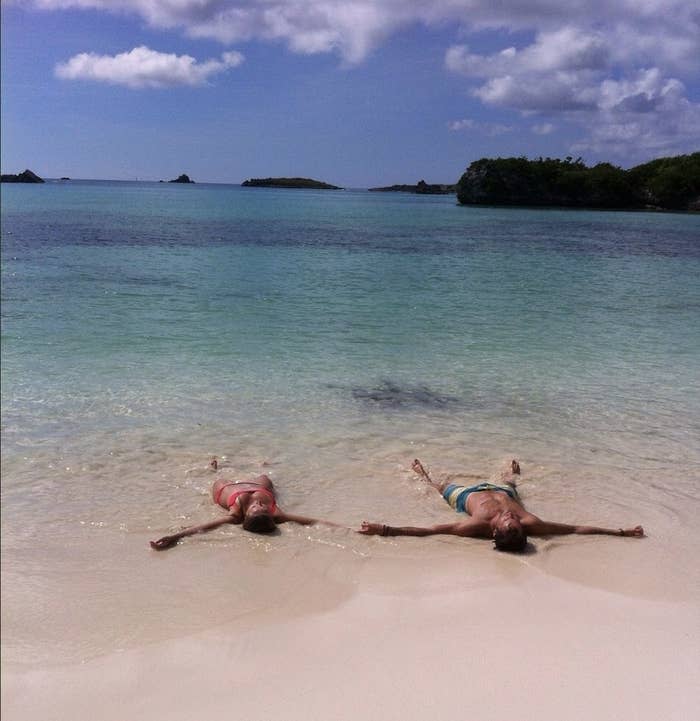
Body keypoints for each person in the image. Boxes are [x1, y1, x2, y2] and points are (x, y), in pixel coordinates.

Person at [359, 459, 644, 552]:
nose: (511, 516)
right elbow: (576, 528)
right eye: (515, 520)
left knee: (436, 486)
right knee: (511, 483)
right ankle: (513, 474)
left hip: (467, 495)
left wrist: (384, 529)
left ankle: (423, 473)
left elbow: (429, 530)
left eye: (509, 521)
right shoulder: (530, 524)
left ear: (495, 532)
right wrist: (620, 532)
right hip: (500, 490)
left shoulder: (475, 526)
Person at [150, 472, 337, 550]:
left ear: (246, 516)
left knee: (219, 479)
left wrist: (175, 536)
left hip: (228, 487)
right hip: (258, 485)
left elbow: (203, 527)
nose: (260, 506)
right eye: (263, 509)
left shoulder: (235, 514)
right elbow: (314, 522)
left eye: (256, 509)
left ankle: (214, 469)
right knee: (265, 476)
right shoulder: (276, 513)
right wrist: (351, 529)